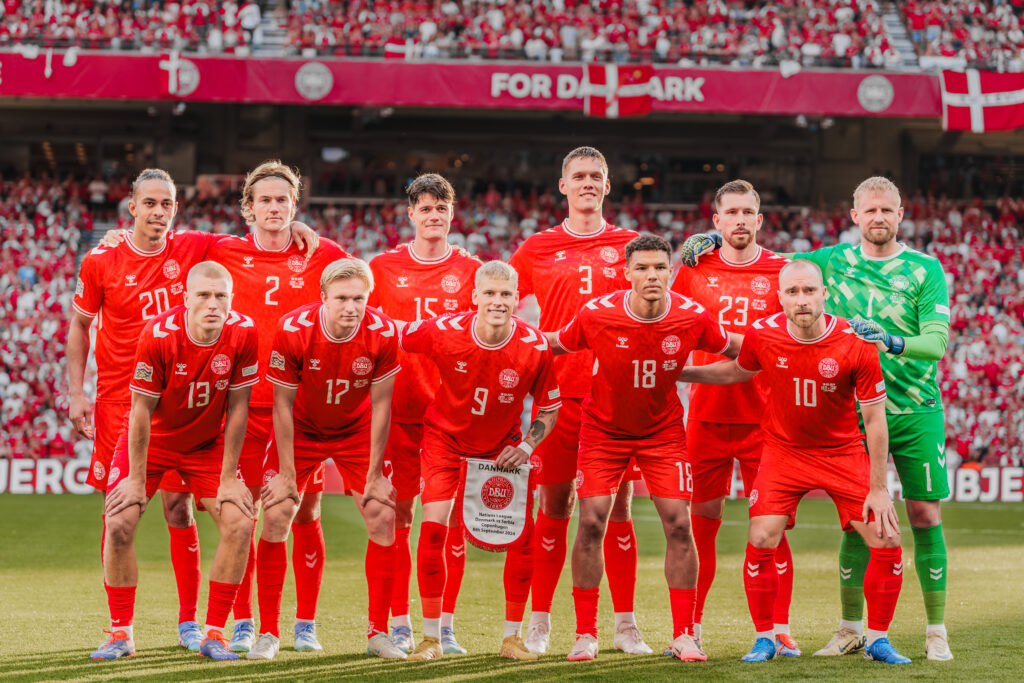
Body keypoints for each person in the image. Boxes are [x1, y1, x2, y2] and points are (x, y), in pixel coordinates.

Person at [681, 175, 953, 661]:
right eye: (868, 210)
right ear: (854, 217)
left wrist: (889, 340)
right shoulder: (824, 262)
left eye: (886, 210)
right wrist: (705, 244)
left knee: (909, 522)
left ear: (900, 214)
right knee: (745, 531)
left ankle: (919, 632)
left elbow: (936, 344)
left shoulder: (916, 273)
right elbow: (768, 281)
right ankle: (752, 631)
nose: (877, 218)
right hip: (785, 432)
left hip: (893, 412)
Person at [69, 167, 318, 651]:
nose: (158, 212)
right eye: (150, 204)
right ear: (132, 208)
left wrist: (296, 232)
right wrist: (76, 391)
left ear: (176, 210)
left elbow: (258, 233)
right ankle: (122, 631)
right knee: (121, 514)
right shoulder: (102, 259)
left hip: (195, 415)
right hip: (129, 403)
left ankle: (200, 627)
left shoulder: (196, 250)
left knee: (193, 510)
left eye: (167, 205)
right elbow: (81, 325)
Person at [678, 259, 911, 665]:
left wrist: (879, 488)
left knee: (887, 538)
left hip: (842, 454)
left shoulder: (856, 342)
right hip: (784, 453)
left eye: (809, 291)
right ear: (780, 297)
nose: (801, 300)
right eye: (792, 292)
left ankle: (877, 639)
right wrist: (680, 373)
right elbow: (737, 371)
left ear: (825, 294)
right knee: (762, 536)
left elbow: (875, 419)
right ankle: (765, 638)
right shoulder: (762, 335)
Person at [548, 233, 742, 663]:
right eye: (642, 267)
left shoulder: (693, 316)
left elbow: (737, 349)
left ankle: (684, 634)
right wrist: (496, 338)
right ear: (627, 273)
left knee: (678, 524)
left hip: (663, 432)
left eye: (659, 267)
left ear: (671, 272)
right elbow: (556, 343)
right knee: (592, 523)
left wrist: (798, 341)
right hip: (602, 430)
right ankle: (585, 634)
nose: (651, 275)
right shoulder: (597, 313)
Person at [208, 160, 350, 654]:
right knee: (243, 517)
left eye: (283, 200)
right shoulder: (221, 251)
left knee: (304, 511)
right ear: (248, 207)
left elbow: (354, 297)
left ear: (295, 205)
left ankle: (305, 622)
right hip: (244, 408)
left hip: (302, 410)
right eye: (264, 200)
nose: (274, 207)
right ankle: (246, 621)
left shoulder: (325, 254)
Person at [508, 146, 645, 655]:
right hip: (560, 400)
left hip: (618, 401)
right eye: (579, 176)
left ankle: (625, 624)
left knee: (619, 509)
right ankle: (541, 620)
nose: (588, 182)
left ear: (608, 186)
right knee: (556, 507)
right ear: (563, 186)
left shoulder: (631, 245)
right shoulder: (537, 247)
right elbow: (500, 300)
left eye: (597, 176)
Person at [90, 261, 259, 661]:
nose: (213, 304)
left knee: (239, 522)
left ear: (231, 299)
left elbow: (238, 408)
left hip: (205, 445)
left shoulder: (244, 332)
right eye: (203, 295)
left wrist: (231, 476)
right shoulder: (159, 334)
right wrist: (133, 478)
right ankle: (121, 633)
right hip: (152, 444)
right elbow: (141, 411)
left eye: (221, 296)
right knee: (118, 522)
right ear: (186, 299)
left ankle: (215, 633)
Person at [400, 260, 561, 661]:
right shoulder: (442, 330)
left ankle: (512, 638)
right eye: (489, 293)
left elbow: (549, 406)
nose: (497, 301)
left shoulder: (535, 344)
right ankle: (431, 638)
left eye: (506, 294)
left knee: (523, 537)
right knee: (434, 529)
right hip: (444, 442)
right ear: (474, 297)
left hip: (500, 450)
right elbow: (397, 336)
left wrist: (526, 446)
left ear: (517, 299)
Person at [670, 180, 799, 656]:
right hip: (706, 417)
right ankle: (690, 627)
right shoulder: (693, 268)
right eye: (732, 213)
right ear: (717, 221)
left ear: (761, 220)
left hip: (767, 422)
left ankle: (778, 628)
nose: (741, 220)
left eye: (750, 212)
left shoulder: (782, 270)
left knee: (770, 528)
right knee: (700, 524)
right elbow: (666, 317)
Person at [255, 258, 402, 660]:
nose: (351, 307)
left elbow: (383, 404)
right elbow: (281, 404)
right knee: (278, 512)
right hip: (301, 428)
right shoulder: (293, 329)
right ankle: (268, 632)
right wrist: (286, 474)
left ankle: (377, 633)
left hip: (356, 430)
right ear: (323, 297)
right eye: (341, 298)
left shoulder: (383, 332)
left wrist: (374, 474)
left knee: (382, 514)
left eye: (359, 298)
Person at [368, 173, 481, 655]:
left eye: (441, 208)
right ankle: (399, 622)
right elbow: (366, 334)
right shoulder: (382, 267)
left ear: (451, 215)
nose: (433, 216)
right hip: (397, 410)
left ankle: (445, 624)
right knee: (399, 516)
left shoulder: (474, 271)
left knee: (451, 521)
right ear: (410, 214)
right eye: (425, 208)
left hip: (453, 416)